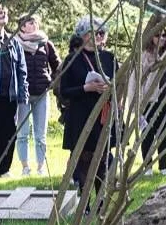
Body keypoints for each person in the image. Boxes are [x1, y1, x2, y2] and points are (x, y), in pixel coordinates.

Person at [59, 17, 119, 194]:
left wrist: (109, 88)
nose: (99, 36)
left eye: (102, 32)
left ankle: (101, 200)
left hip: (103, 115)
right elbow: (64, 91)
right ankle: (84, 203)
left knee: (104, 158)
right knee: (83, 160)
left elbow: (118, 84)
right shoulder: (73, 59)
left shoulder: (109, 58)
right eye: (94, 33)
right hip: (81, 116)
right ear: (83, 36)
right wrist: (86, 88)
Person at [0, 4, 28, 177]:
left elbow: (21, 70)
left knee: (9, 133)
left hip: (10, 96)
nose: (3, 13)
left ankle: (4, 170)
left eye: (5, 11)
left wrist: (23, 95)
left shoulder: (14, 42)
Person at [15, 13, 61, 175]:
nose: (33, 25)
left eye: (35, 22)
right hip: (23, 95)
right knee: (22, 133)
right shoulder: (16, 43)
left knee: (40, 134)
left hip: (42, 93)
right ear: (22, 26)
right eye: (29, 22)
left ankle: (41, 167)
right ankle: (25, 167)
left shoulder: (46, 43)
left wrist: (53, 82)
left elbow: (58, 66)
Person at [135, 28, 166, 175]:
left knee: (163, 135)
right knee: (147, 133)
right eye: (158, 35)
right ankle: (147, 166)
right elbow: (137, 81)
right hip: (150, 102)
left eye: (164, 36)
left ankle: (163, 166)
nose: (161, 38)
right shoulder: (145, 56)